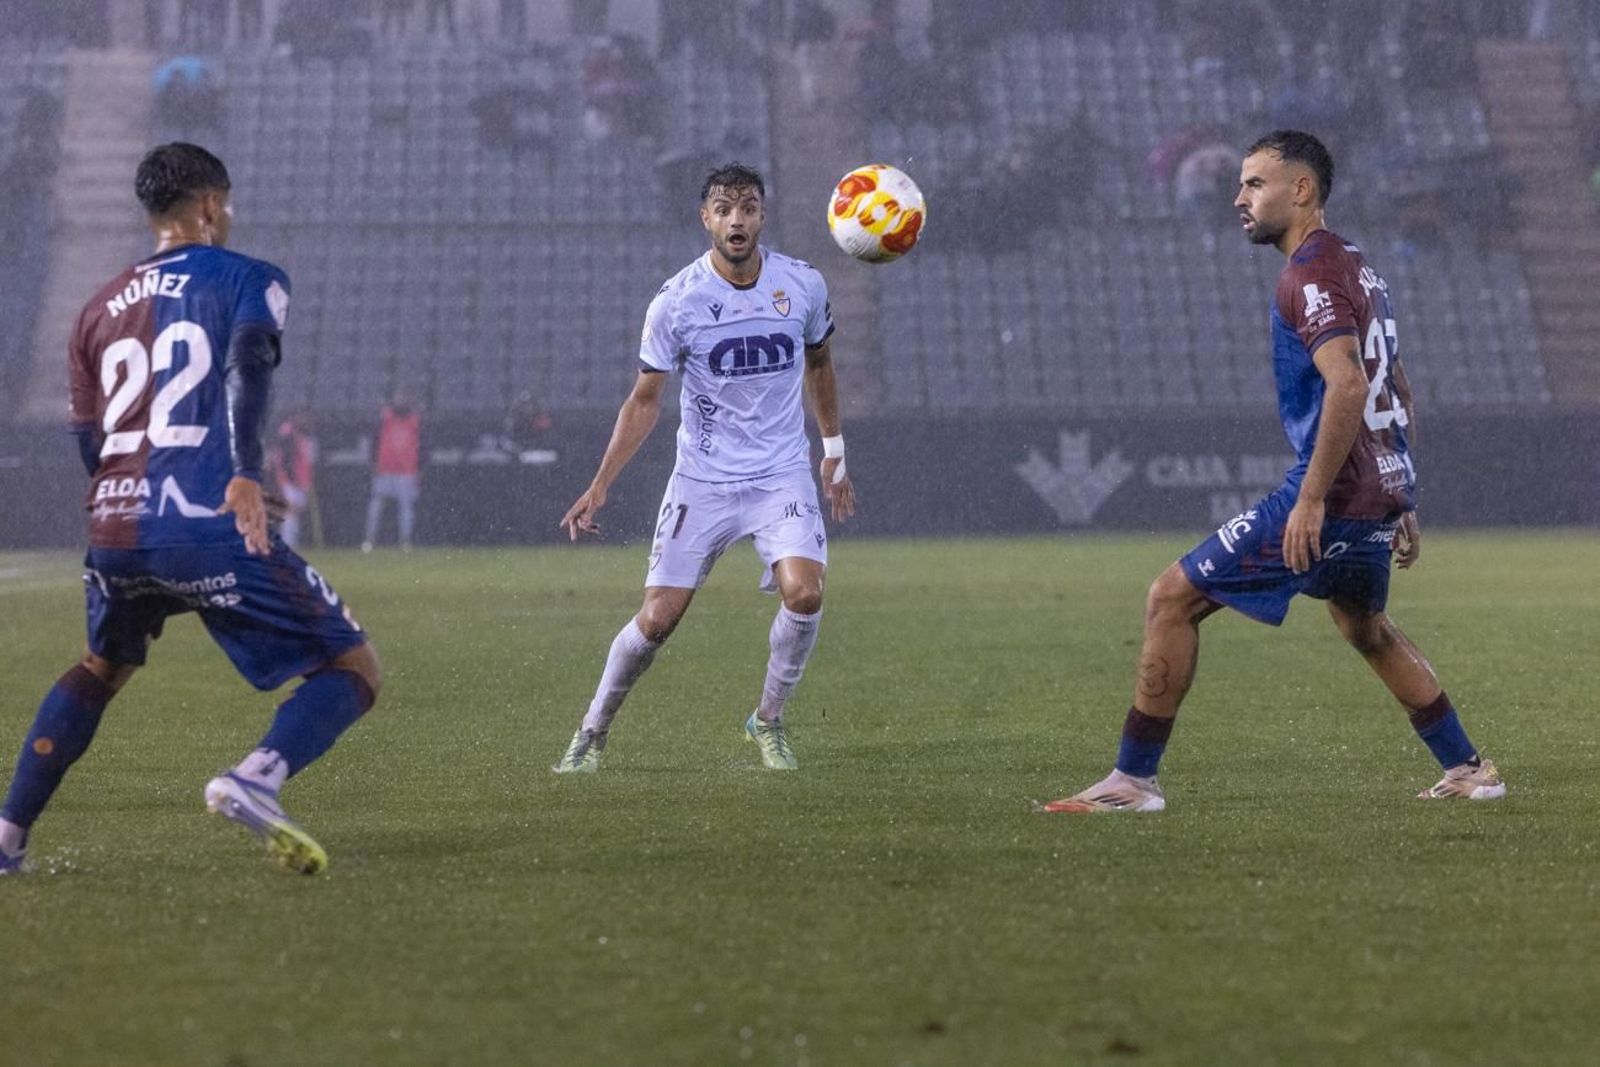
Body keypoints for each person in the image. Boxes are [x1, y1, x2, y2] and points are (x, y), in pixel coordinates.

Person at [1041, 130, 1505, 813]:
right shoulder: (1358, 264)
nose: (1240, 197)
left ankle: (1132, 781)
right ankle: (1469, 768)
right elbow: (1392, 381)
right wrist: (1399, 493)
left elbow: (1349, 386)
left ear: (1302, 189)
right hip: (1372, 490)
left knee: (1171, 598)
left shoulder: (1309, 274)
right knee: (1363, 624)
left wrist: (1313, 499)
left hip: (1339, 494)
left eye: (1255, 183)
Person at [0, 143, 381, 875]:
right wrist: (239, 472)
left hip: (114, 527)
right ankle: (255, 778)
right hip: (204, 523)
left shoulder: (92, 309)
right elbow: (247, 363)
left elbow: (89, 439)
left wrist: (130, 499)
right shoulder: (250, 278)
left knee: (101, 666)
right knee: (354, 665)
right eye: (226, 205)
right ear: (209, 206)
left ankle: (8, 836)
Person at [555, 162, 857, 773]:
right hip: (704, 478)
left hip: (780, 473)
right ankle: (593, 730)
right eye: (723, 208)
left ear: (762, 215)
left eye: (747, 207)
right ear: (706, 218)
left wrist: (834, 454)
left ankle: (767, 720)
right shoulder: (677, 302)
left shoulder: (802, 285)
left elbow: (819, 366)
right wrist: (600, 485)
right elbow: (645, 400)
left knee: (806, 593)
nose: (736, 219)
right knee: (658, 619)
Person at [361, 390, 423, 551]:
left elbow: (424, 447)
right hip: (384, 471)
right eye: (398, 398)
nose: (401, 401)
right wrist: (373, 463)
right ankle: (369, 541)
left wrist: (419, 469)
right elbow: (373, 441)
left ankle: (405, 542)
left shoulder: (415, 421)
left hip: (406, 473)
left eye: (404, 398)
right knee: (375, 508)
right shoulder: (384, 418)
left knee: (406, 510)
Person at [269, 413, 317, 549]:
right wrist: (291, 478)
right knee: (291, 513)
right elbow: (285, 460)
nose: (303, 419)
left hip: (299, 480)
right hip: (290, 480)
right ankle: (287, 543)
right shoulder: (287, 434)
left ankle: (291, 543)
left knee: (295, 513)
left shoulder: (300, 435)